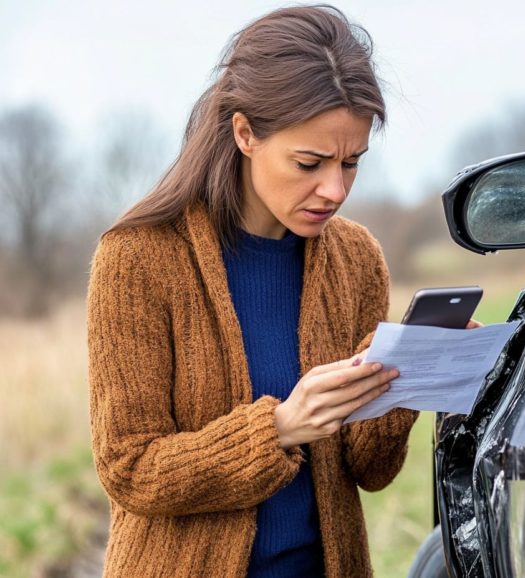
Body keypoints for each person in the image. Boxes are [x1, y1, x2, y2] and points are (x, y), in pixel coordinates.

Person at [86, 6, 418, 577]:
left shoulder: (357, 259)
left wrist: (406, 375)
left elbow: (371, 471)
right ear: (245, 133)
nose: (334, 189)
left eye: (351, 163)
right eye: (310, 162)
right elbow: (129, 466)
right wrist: (281, 428)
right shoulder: (137, 258)